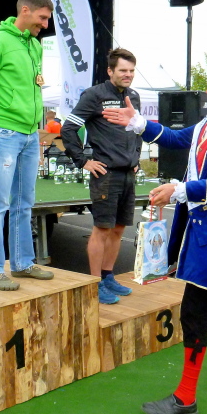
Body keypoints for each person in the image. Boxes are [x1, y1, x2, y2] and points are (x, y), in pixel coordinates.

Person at [103, 62, 207, 414]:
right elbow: (175, 139)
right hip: (197, 228)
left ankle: (185, 398)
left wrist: (178, 189)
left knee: (194, 310)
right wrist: (137, 121)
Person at [0, 0, 55, 291]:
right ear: (25, 11)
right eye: (42, 18)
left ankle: (22, 263)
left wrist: (38, 134)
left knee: (25, 202)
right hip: (3, 133)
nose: (45, 25)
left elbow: (36, 89)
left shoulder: (35, 46)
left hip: (30, 135)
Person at [61, 48, 142, 304]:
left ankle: (108, 277)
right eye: (123, 70)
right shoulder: (94, 95)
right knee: (102, 230)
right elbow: (68, 129)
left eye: (131, 71)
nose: (128, 75)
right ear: (110, 71)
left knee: (118, 229)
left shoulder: (133, 96)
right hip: (106, 174)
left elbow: (137, 130)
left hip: (128, 174)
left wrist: (136, 158)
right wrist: (83, 161)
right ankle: (94, 284)